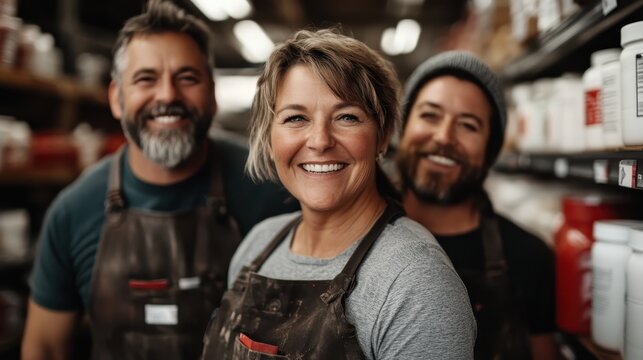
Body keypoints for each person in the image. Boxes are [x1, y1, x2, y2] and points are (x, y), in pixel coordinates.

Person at [21, 1, 296, 359]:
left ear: (211, 95)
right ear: (117, 99)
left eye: (187, 77)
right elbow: (44, 347)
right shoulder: (74, 211)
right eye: (146, 78)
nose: (167, 95)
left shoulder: (272, 188)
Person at [200, 29, 475, 360]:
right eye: (296, 118)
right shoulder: (258, 245)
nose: (319, 140)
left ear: (383, 135)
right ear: (270, 137)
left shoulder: (416, 282)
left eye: (347, 117)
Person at [395, 50, 558, 359]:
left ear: (489, 152)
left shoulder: (529, 258)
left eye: (468, 125)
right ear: (403, 129)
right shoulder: (355, 236)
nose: (444, 137)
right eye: (430, 115)